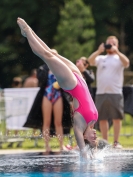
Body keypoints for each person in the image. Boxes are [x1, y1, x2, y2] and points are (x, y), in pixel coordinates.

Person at [17, 17, 98, 160]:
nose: (95, 137)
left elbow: (82, 148)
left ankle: (28, 32)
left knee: (47, 56)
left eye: (92, 139)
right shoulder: (92, 121)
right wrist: (94, 150)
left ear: (85, 138)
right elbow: (94, 149)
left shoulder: (80, 124)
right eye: (95, 139)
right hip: (80, 79)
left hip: (71, 84)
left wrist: (85, 153)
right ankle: (28, 33)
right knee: (53, 53)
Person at [88, 36, 130, 149]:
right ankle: (105, 143)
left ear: (117, 45)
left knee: (117, 117)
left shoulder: (119, 58)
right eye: (108, 43)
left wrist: (117, 51)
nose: (110, 45)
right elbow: (90, 61)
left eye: (113, 43)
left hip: (115, 92)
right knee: (102, 118)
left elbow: (127, 63)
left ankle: (116, 142)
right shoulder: (101, 58)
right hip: (101, 92)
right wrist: (99, 51)